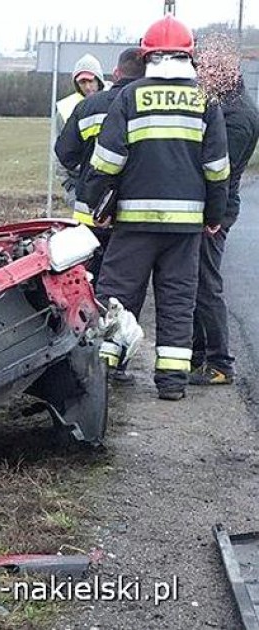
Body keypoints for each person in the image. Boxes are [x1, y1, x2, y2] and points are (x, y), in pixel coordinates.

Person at [83, 15, 229, 401]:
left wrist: (99, 204)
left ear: (147, 54)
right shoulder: (206, 99)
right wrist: (213, 217)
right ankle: (171, 383)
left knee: (116, 297)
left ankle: (105, 371)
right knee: (178, 301)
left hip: (134, 222)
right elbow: (217, 169)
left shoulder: (130, 96)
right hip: (185, 227)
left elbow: (107, 160)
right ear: (189, 56)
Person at [190, 39, 259, 385]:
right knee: (196, 281)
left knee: (206, 283)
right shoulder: (224, 105)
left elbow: (220, 172)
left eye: (205, 68)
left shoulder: (237, 115)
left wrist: (212, 217)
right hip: (211, 209)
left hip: (215, 213)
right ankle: (198, 356)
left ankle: (220, 363)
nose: (200, 74)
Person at [55, 47, 146, 281]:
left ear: (114, 73)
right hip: (134, 211)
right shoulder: (147, 109)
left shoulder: (87, 107)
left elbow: (64, 153)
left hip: (90, 210)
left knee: (89, 276)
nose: (86, 86)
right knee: (124, 280)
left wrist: (84, 173)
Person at [55, 54, 106, 206]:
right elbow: (58, 152)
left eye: (91, 81)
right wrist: (69, 186)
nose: (88, 87)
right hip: (78, 184)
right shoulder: (65, 111)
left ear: (99, 80)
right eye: (82, 82)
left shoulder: (115, 101)